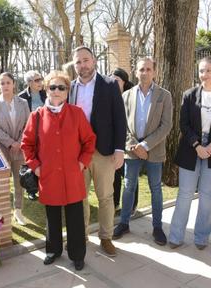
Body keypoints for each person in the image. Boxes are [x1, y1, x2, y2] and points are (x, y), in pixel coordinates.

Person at [21, 71, 96, 271]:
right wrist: (35, 167)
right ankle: (53, 250)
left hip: (72, 176)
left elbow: (89, 141)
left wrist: (82, 163)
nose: (56, 91)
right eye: (52, 87)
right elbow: (27, 145)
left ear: (66, 92)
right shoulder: (36, 116)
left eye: (61, 87)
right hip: (49, 176)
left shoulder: (76, 113)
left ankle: (77, 254)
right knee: (52, 217)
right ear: (46, 89)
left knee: (75, 218)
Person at [168, 56, 211, 250]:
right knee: (185, 194)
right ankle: (176, 235)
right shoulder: (189, 94)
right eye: (201, 71)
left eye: (208, 71)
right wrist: (197, 145)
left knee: (206, 195)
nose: (204, 75)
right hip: (191, 149)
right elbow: (183, 124)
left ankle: (201, 237)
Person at [69, 46, 127, 257]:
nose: (82, 65)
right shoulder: (71, 87)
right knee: (80, 197)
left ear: (93, 61)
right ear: (74, 65)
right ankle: (81, 236)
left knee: (105, 196)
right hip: (77, 153)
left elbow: (120, 119)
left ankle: (106, 237)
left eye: (85, 60)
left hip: (103, 151)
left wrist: (120, 150)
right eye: (78, 62)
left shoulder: (110, 84)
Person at [112, 58, 173, 245]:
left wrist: (145, 146)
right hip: (131, 150)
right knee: (129, 186)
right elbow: (121, 125)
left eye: (148, 69)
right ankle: (124, 223)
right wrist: (135, 146)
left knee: (155, 189)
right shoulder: (127, 96)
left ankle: (157, 227)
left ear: (154, 72)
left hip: (154, 150)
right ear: (135, 72)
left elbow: (166, 125)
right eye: (141, 69)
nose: (144, 72)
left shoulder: (164, 95)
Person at [0, 72, 30, 225]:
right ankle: (1, 213)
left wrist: (19, 142)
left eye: (8, 82)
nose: (5, 86)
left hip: (20, 148)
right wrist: (11, 143)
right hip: (2, 148)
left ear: (13, 84)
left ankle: (18, 211)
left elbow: (28, 124)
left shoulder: (23, 103)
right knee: (3, 182)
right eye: (2, 83)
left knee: (19, 181)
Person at [110, 68, 138, 213]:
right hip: (113, 145)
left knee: (130, 177)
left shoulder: (131, 98)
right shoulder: (108, 97)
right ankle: (114, 204)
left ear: (124, 83)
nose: (113, 83)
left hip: (129, 144)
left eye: (117, 80)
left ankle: (132, 205)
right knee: (114, 177)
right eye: (112, 80)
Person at [18, 70, 47, 201]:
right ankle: (31, 189)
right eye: (36, 80)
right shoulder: (22, 97)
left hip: (46, 134)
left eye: (40, 79)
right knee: (31, 162)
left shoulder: (46, 94)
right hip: (31, 134)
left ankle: (44, 187)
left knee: (44, 161)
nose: (40, 82)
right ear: (29, 83)